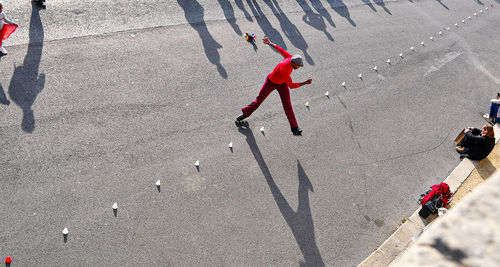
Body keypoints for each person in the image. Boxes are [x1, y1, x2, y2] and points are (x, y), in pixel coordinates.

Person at [235, 37, 312, 136]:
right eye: (298, 66)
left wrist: (269, 43)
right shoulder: (284, 68)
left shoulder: (290, 57)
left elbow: (280, 49)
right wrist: (305, 82)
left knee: (287, 105)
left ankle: (295, 128)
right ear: (293, 63)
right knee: (258, 100)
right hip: (270, 82)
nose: (298, 67)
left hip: (282, 83)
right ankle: (245, 113)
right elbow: (292, 86)